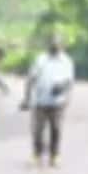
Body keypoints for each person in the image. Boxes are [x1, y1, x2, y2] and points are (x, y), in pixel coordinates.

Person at [25, 34, 76, 167]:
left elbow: (69, 82)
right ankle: (37, 155)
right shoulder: (41, 60)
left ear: (62, 46)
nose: (55, 46)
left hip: (58, 102)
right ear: (49, 45)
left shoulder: (67, 61)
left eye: (57, 44)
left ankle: (54, 155)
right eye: (53, 44)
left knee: (56, 129)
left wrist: (66, 96)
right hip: (40, 100)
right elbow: (31, 79)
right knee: (38, 130)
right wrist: (27, 98)